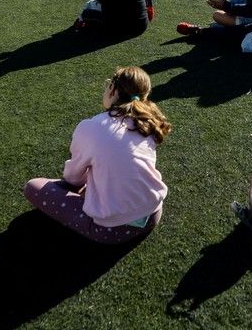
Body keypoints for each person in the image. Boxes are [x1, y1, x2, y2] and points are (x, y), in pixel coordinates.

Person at [23, 67, 168, 244]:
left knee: (33, 186)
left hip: (111, 229)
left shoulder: (91, 127)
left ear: (113, 89)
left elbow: (73, 179)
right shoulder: (147, 124)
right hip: (153, 213)